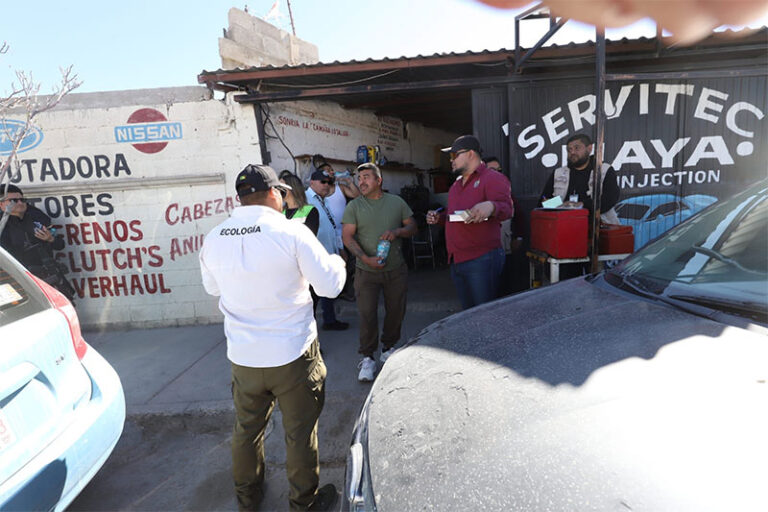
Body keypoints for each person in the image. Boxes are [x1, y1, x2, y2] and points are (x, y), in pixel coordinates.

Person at [199, 164, 345, 512]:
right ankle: (303, 504)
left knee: (247, 431)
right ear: (274, 194)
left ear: (241, 197)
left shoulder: (215, 236)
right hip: (292, 355)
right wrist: (337, 262)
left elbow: (211, 288)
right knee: (299, 434)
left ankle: (247, 500)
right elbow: (330, 286)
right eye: (282, 193)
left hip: (244, 358)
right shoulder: (292, 233)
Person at [341, 163, 417, 382]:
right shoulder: (354, 206)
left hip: (395, 269)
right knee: (366, 314)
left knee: (396, 311)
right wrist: (365, 258)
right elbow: (347, 237)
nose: (361, 182)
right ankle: (367, 358)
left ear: (379, 180)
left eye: (366, 177)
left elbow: (413, 227)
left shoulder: (396, 203)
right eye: (359, 177)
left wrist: (398, 231)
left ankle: (388, 348)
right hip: (366, 271)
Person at [426, 135, 514, 310]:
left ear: (471, 154)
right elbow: (457, 217)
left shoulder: (492, 178)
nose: (451, 161)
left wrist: (491, 206)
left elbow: (508, 209)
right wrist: (440, 219)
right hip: (457, 260)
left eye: (454, 155)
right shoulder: (456, 186)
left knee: (484, 316)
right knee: (468, 316)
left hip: (481, 259)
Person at [0, 184, 74, 299]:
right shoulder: (2, 225)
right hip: (16, 282)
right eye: (14, 200)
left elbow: (60, 244)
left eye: (22, 199)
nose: (20, 203)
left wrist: (50, 239)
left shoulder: (37, 218)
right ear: (1, 204)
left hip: (48, 278)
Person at [539, 133, 620, 224]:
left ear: (589, 149)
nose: (572, 152)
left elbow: (610, 198)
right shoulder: (558, 173)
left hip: (599, 228)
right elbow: (543, 201)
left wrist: (582, 205)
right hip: (564, 226)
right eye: (569, 150)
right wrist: (562, 204)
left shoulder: (604, 169)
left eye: (577, 148)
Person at [306, 170, 349, 331]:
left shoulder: (324, 200)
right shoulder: (305, 199)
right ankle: (310, 340)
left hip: (329, 253)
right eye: (322, 182)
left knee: (327, 291)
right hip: (314, 256)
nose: (326, 185)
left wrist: (340, 248)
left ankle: (330, 321)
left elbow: (332, 226)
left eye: (329, 182)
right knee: (311, 300)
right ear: (312, 183)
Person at [280, 171, 319, 236]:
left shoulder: (310, 211)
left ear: (291, 188)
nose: (277, 190)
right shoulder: (280, 212)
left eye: (281, 187)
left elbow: (309, 237)